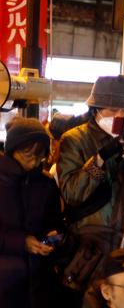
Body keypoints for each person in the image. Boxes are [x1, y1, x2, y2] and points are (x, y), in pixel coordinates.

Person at [57, 75, 124, 294]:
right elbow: (72, 193)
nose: (118, 116)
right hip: (89, 244)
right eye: (111, 109)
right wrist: (101, 157)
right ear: (95, 109)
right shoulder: (75, 139)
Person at [0, 118, 62, 307]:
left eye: (39, 156)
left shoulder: (46, 183)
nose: (34, 162)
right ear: (12, 151)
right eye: (28, 156)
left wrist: (55, 236)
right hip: (4, 281)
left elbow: (57, 222)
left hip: (39, 280)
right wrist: (22, 242)